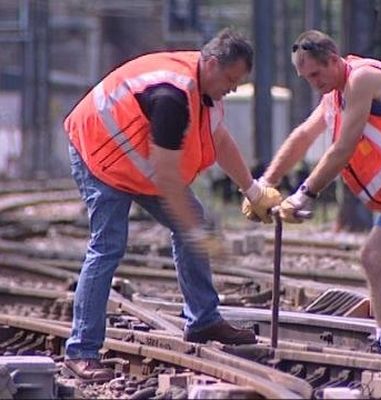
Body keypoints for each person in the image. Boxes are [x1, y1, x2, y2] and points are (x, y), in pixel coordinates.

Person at [63, 28, 281, 382]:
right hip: (100, 155)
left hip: (137, 161)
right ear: (210, 64)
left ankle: (203, 320)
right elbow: (167, 180)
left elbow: (219, 139)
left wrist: (252, 190)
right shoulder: (172, 97)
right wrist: (199, 236)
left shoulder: (204, 90)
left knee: (193, 220)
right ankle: (81, 351)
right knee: (107, 247)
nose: (234, 88)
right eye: (231, 79)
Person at [243, 30, 381, 359]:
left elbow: (343, 149)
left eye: (316, 74)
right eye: (306, 78)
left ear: (333, 60)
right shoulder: (334, 97)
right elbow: (304, 136)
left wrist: (303, 195)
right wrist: (264, 183)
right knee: (373, 258)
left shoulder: (362, 80)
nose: (313, 82)